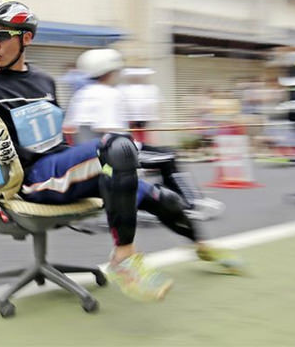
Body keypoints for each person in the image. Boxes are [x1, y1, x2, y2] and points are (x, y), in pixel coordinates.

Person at [0, 0, 173, 301]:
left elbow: (55, 140)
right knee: (118, 147)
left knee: (148, 184)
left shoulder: (44, 80)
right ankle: (124, 259)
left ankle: (198, 244)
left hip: (57, 170)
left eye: (0, 36)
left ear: (26, 37)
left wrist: (91, 160)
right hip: (27, 181)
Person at [65, 49, 240, 272]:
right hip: (112, 159)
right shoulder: (107, 94)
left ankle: (199, 242)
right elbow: (110, 134)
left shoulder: (83, 93)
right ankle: (193, 205)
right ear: (109, 70)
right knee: (168, 159)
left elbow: (79, 132)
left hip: (94, 162)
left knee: (162, 191)